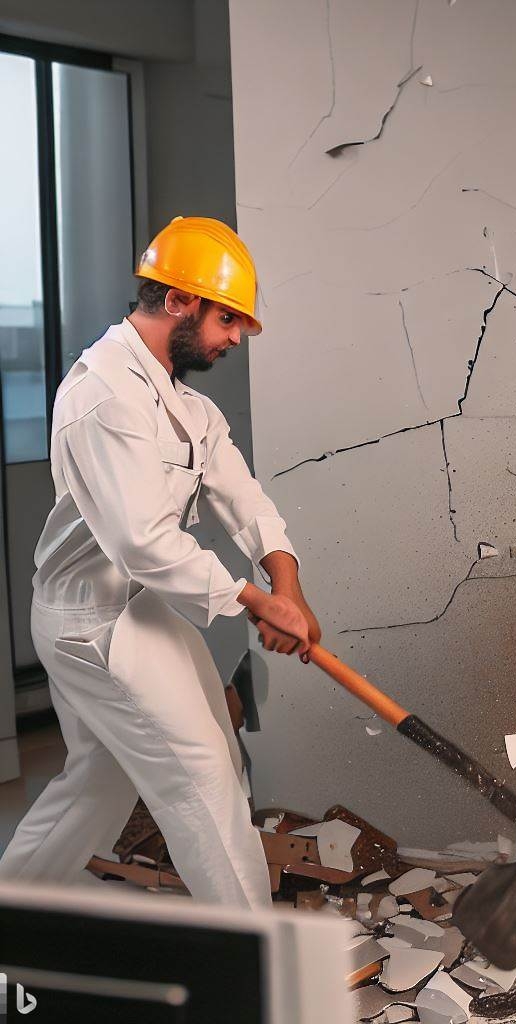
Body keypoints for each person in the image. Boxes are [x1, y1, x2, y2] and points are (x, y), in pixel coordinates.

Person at [0, 216, 320, 908]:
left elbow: (246, 500)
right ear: (178, 300)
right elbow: (143, 541)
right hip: (89, 618)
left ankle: (14, 912)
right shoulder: (103, 394)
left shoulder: (185, 404)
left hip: (132, 606)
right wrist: (254, 602)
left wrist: (284, 584)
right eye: (228, 318)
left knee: (99, 781)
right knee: (200, 776)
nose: (236, 337)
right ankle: (258, 972)